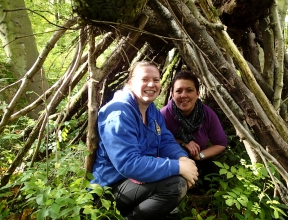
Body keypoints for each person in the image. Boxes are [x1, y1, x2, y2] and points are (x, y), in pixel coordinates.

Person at [91, 61, 198, 220]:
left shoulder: (152, 110)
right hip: (110, 190)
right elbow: (129, 163)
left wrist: (182, 158)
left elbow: (166, 140)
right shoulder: (118, 113)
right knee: (175, 184)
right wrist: (178, 167)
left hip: (136, 183)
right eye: (144, 79)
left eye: (156, 80)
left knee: (179, 176)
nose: (151, 84)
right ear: (130, 83)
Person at [160, 70, 227, 193]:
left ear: (198, 93)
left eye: (189, 90)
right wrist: (184, 142)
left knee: (213, 174)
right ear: (172, 94)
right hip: (172, 160)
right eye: (179, 91)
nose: (183, 95)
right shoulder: (163, 115)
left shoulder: (207, 114)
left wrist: (200, 155)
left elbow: (221, 144)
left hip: (197, 159)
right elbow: (156, 140)